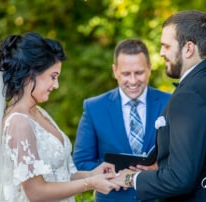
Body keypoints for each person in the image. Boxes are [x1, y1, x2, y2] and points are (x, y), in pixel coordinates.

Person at [112, 10, 206, 201]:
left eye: (166, 46)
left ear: (188, 48)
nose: (161, 53)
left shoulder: (190, 95)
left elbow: (180, 179)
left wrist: (130, 178)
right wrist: (159, 168)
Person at [0, 32, 120, 202]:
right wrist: (91, 183)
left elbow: (60, 176)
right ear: (32, 73)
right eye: (53, 77)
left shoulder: (39, 113)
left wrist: (93, 174)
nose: (56, 85)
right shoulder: (18, 122)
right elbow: (36, 192)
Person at [73, 39, 171, 202]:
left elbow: (183, 158)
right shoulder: (94, 108)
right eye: (126, 74)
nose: (133, 81)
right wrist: (111, 174)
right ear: (115, 71)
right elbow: (81, 163)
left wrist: (157, 169)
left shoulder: (171, 103)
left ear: (149, 69)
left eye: (139, 72)